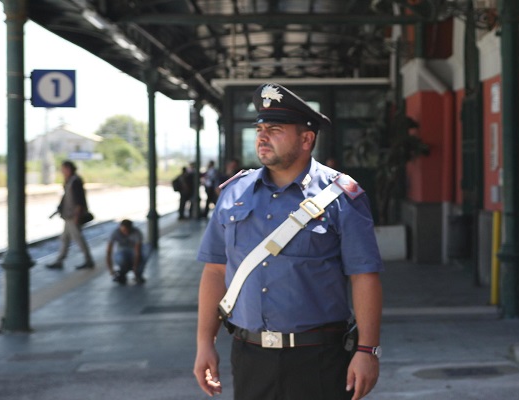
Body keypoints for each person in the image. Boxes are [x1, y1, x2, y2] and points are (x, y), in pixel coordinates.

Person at [193, 83, 383, 400]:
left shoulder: (341, 196)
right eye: (260, 128)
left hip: (319, 358)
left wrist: (367, 349)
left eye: (275, 129)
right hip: (249, 354)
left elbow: (364, 275)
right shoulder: (233, 193)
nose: (262, 137)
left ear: (307, 139)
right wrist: (204, 344)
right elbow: (215, 271)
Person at [47, 160, 94, 270]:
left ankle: (88, 260)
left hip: (73, 216)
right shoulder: (70, 181)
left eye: (63, 169)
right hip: (68, 216)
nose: (62, 172)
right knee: (65, 239)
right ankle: (60, 260)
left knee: (78, 238)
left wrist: (77, 216)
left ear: (68, 169)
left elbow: (79, 202)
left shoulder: (75, 181)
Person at [106, 219, 146, 285]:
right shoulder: (115, 233)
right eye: (124, 231)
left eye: (128, 231)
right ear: (120, 228)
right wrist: (111, 270)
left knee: (144, 254)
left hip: (133, 253)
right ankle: (122, 273)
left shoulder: (137, 232)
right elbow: (108, 252)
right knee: (121, 259)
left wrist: (135, 269)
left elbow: (137, 253)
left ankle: (138, 273)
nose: (126, 233)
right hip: (121, 254)